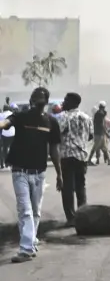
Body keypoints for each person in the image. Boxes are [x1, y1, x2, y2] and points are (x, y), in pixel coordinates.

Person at [0, 87, 62, 264]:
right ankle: (26, 249)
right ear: (31, 100)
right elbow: (5, 123)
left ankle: (32, 242)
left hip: (39, 173)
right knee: (25, 210)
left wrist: (59, 174)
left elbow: (55, 150)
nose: (37, 101)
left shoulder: (51, 122)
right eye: (35, 98)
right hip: (20, 172)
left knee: (35, 211)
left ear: (46, 102)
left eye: (41, 98)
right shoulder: (20, 116)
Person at [57, 92, 93, 226]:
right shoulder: (86, 117)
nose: (63, 102)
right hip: (82, 156)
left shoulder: (63, 116)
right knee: (80, 186)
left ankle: (71, 218)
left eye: (65, 100)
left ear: (72, 102)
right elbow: (90, 136)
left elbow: (57, 133)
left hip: (67, 155)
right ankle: (82, 216)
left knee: (67, 188)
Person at [87, 101, 110, 166]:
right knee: (95, 147)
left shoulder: (98, 113)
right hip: (99, 133)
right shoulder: (100, 114)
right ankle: (89, 160)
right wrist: (106, 133)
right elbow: (102, 124)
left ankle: (109, 160)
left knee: (104, 147)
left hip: (99, 132)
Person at [0, 101, 13, 169]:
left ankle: (5, 163)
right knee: (12, 148)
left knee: (4, 149)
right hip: (12, 134)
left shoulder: (1, 115)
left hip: (5, 134)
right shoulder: (12, 113)